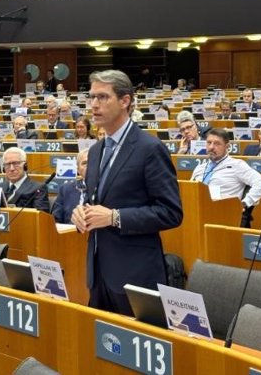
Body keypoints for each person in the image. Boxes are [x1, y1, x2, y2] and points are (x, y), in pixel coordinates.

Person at [71, 70, 182, 315]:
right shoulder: (97, 150)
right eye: (91, 98)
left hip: (136, 276)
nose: (94, 104)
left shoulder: (150, 148)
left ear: (125, 101)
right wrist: (80, 214)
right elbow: (95, 201)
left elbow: (171, 212)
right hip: (98, 274)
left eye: (102, 97)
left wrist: (115, 217)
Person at [191, 128, 261, 228]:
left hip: (223, 216)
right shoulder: (199, 168)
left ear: (227, 146)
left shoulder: (237, 165)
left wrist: (244, 203)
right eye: (209, 143)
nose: (211, 147)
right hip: (197, 214)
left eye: (217, 144)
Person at [0, 147, 49, 212]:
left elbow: (41, 217)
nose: (11, 168)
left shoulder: (38, 188)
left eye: (16, 163)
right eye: (8, 164)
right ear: (3, 168)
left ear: (25, 165)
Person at [52, 149, 89, 224]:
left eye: (92, 162)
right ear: (78, 170)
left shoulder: (105, 189)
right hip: (68, 233)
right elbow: (55, 219)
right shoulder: (65, 189)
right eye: (84, 163)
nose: (89, 166)